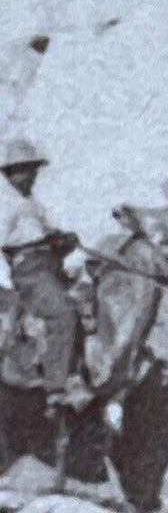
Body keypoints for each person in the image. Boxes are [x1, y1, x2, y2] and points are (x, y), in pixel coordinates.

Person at [0, 136, 88, 402]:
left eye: (34, 169)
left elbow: (46, 236)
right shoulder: (6, 204)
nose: (33, 175)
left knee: (88, 300)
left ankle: (79, 371)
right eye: (27, 169)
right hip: (31, 272)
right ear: (12, 173)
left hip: (49, 266)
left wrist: (63, 239)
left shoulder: (32, 204)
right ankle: (56, 387)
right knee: (64, 313)